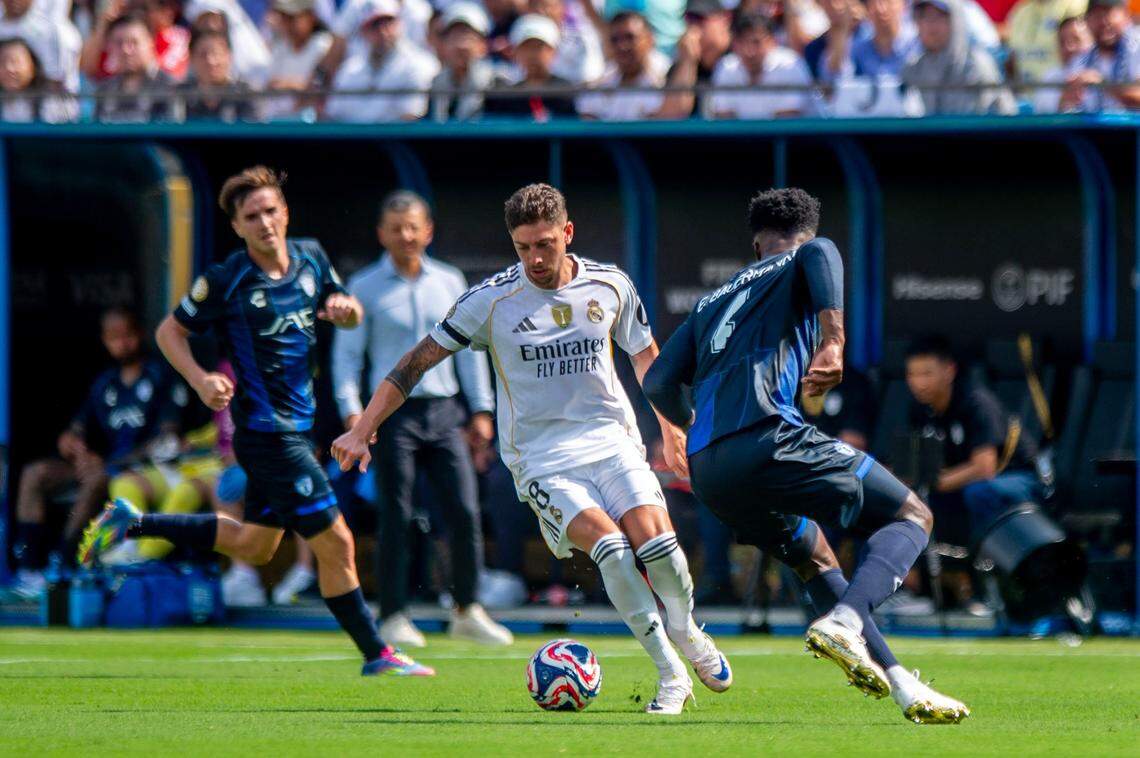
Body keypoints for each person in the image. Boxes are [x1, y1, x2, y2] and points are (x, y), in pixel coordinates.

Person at [333, 183, 732, 714]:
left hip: (612, 440)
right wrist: (362, 429)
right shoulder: (490, 300)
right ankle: (670, 674)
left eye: (545, 244)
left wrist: (669, 425)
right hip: (542, 458)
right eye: (523, 248)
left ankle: (685, 629)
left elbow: (645, 356)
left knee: (659, 546)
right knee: (611, 550)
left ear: (567, 233)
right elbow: (413, 364)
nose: (536, 258)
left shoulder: (610, 285)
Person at [78, 166, 433, 678]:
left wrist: (345, 309)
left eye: (271, 210)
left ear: (285, 213)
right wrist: (201, 379)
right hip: (268, 435)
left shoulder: (311, 257)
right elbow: (168, 333)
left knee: (255, 545)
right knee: (337, 542)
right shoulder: (226, 279)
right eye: (252, 216)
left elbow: (347, 309)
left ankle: (132, 522)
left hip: (298, 431)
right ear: (238, 228)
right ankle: (377, 653)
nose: (264, 222)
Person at [642, 187, 970, 724]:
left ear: (755, 247)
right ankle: (846, 619)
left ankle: (903, 685)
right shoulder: (806, 255)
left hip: (710, 470)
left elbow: (658, 382)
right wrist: (833, 340)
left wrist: (690, 426)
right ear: (800, 236)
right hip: (769, 435)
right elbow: (822, 254)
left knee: (815, 557)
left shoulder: (709, 302)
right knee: (913, 514)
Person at [332, 190, 513, 647]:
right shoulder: (365, 287)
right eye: (396, 228)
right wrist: (357, 419)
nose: (406, 235)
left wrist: (481, 410)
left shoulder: (451, 281)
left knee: (465, 510)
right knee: (396, 513)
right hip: (392, 415)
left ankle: (467, 610)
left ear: (428, 230)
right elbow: (347, 360)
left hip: (446, 409)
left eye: (413, 226)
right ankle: (393, 614)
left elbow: (471, 350)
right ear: (381, 235)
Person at [10, 308, 183, 598]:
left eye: (127, 335)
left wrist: (107, 462)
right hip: (101, 465)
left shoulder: (160, 375)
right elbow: (77, 428)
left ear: (140, 333)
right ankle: (29, 570)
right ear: (104, 340)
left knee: (98, 476)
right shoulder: (105, 383)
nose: (122, 343)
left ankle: (62, 563)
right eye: (114, 338)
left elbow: (167, 439)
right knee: (35, 474)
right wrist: (72, 443)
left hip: (138, 470)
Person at [904, 335, 1044, 543]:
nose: (919, 383)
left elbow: (984, 468)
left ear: (949, 371)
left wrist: (936, 482)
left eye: (927, 374)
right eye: (912, 374)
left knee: (979, 492)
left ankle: (985, 563)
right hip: (963, 483)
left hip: (1021, 478)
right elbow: (917, 465)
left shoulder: (977, 403)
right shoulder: (919, 409)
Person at [324, 0, 440, 123]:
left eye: (388, 23)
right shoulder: (350, 70)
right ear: (363, 32)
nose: (383, 32)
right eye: (375, 26)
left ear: (400, 24)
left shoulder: (421, 64)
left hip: (400, 140)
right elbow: (332, 115)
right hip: (351, 140)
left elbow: (411, 117)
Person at [901, 0, 1015, 114]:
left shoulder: (977, 65)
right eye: (924, 16)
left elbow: (1002, 118)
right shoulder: (912, 70)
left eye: (940, 15)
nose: (931, 24)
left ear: (956, 20)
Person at [707, 13, 814, 119]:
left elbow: (788, 122)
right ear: (734, 43)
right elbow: (725, 120)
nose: (748, 51)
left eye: (756, 42)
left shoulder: (790, 65)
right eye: (741, 42)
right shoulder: (726, 66)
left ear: (772, 41)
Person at [576, 11, 671, 120]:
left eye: (630, 37)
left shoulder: (668, 75)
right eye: (615, 40)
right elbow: (587, 115)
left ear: (650, 39)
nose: (622, 46)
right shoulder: (604, 78)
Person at [484, 13, 578, 119]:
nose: (532, 54)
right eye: (526, 47)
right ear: (515, 52)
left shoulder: (566, 90)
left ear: (553, 51)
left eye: (538, 47)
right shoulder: (509, 96)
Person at [657, 0, 732, 118]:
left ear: (725, 19)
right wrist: (688, 61)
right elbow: (672, 116)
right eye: (689, 19)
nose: (693, 27)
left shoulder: (742, 57)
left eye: (699, 19)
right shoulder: (682, 66)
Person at [1061, 0, 1140, 111]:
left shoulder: (1136, 48)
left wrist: (1103, 84)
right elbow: (1066, 109)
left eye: (1109, 13)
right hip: (1095, 128)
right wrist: (1066, 99)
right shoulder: (1080, 61)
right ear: (1087, 21)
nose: (1104, 21)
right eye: (1097, 15)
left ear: (1126, 15)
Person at [95, 13, 175, 122]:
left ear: (151, 42)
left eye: (134, 42)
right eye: (119, 43)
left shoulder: (170, 87)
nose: (126, 50)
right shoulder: (104, 90)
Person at [263, 0, 333, 119]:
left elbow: (320, 88)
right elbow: (269, 84)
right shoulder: (280, 47)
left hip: (311, 126)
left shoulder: (325, 45)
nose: (287, 23)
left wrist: (291, 84)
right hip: (277, 122)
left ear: (311, 17)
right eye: (284, 17)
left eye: (293, 17)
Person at [173, 27, 259, 121]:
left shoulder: (244, 94)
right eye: (203, 54)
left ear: (229, 56)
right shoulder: (180, 95)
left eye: (217, 53)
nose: (211, 61)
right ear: (192, 58)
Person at [428, 1, 495, 122]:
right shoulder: (437, 83)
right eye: (454, 37)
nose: (461, 46)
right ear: (444, 45)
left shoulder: (496, 82)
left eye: (468, 37)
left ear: (483, 45)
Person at [1006, 0, 1089, 83]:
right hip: (1024, 91)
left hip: (1060, 86)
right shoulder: (1020, 11)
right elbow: (1012, 55)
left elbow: (1082, 46)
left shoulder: (1074, 3)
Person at [0, 36, 74, 121]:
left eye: (16, 61)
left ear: (33, 65)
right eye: (2, 62)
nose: (9, 69)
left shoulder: (52, 101)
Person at [1033, 14, 1092, 111]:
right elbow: (1044, 116)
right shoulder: (1050, 77)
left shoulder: (1106, 71)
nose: (1069, 47)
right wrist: (1064, 99)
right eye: (1062, 42)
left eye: (1076, 39)